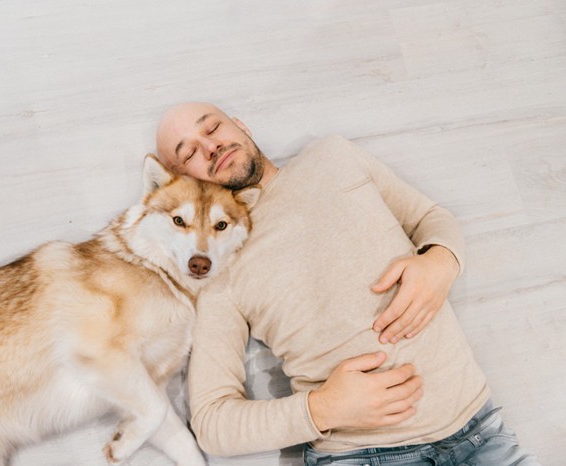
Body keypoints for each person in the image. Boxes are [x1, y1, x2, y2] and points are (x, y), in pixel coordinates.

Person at [154, 102, 538, 465]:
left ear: (240, 125)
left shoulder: (332, 156)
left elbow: (431, 218)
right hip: (363, 454)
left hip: (480, 431)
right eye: (189, 153)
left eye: (213, 127)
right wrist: (322, 408)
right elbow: (212, 423)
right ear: (182, 181)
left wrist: (441, 261)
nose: (211, 146)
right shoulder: (217, 269)